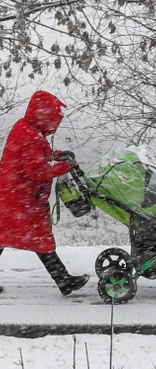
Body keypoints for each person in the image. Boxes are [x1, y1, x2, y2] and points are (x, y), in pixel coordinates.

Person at [0, 90, 89, 295]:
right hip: (23, 201)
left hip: (14, 196)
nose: (55, 126)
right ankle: (64, 281)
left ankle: (64, 280)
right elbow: (36, 170)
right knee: (40, 240)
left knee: (9, 237)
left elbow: (38, 157)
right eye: (53, 120)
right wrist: (63, 166)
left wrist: (59, 155)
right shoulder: (31, 137)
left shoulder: (26, 129)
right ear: (44, 117)